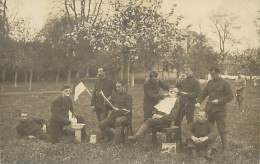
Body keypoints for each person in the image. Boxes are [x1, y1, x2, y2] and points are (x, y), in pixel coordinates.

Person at [195, 67, 233, 150]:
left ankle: (225, 148)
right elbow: (203, 93)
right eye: (211, 74)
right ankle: (208, 146)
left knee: (221, 129)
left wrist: (219, 101)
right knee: (208, 128)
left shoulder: (225, 83)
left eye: (213, 74)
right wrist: (198, 101)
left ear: (218, 73)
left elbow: (230, 96)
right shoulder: (210, 83)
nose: (212, 76)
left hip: (220, 110)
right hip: (209, 110)